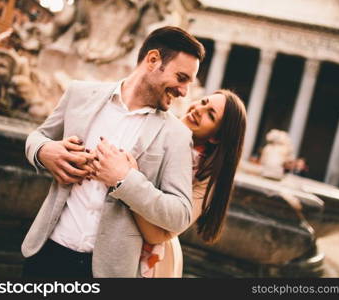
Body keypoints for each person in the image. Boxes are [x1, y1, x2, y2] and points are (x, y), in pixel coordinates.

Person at [21, 26, 205, 278]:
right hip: (46, 253)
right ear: (153, 60)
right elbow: (38, 136)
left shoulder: (177, 135)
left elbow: (180, 215)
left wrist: (125, 180)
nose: (184, 92)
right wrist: (44, 151)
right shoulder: (79, 93)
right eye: (181, 78)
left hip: (109, 272)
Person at [125, 89, 247, 277]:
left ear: (216, 137)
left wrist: (128, 180)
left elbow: (157, 235)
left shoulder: (205, 179)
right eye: (204, 102)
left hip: (150, 260)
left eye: (210, 114)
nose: (199, 109)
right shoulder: (156, 122)